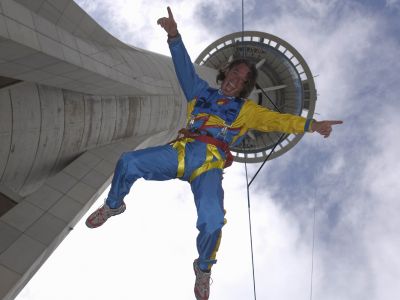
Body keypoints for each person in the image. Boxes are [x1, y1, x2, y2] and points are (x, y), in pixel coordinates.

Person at [86, 6, 343, 300]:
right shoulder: (201, 92)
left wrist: (312, 125)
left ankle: (204, 268)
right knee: (129, 161)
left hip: (208, 166)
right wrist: (174, 36)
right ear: (226, 73)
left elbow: (279, 120)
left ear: (246, 86)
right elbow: (184, 68)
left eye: (243, 78)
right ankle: (114, 205)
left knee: (211, 220)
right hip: (181, 153)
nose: (236, 78)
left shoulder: (247, 110)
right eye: (234, 72)